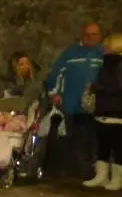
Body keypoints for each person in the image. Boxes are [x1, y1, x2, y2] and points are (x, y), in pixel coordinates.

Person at [82, 34, 122, 191]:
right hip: (106, 108)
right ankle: (102, 176)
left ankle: (117, 178)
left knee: (116, 144)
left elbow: (118, 86)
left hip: (116, 109)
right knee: (103, 143)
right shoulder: (111, 62)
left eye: (107, 45)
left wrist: (97, 87)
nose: (104, 48)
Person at [45, 22, 104, 180]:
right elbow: (55, 74)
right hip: (73, 105)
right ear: (82, 35)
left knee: (95, 140)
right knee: (76, 139)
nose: (91, 37)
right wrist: (54, 93)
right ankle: (82, 173)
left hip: (98, 106)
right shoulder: (70, 53)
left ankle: (94, 173)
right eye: (88, 34)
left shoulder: (103, 53)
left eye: (95, 34)